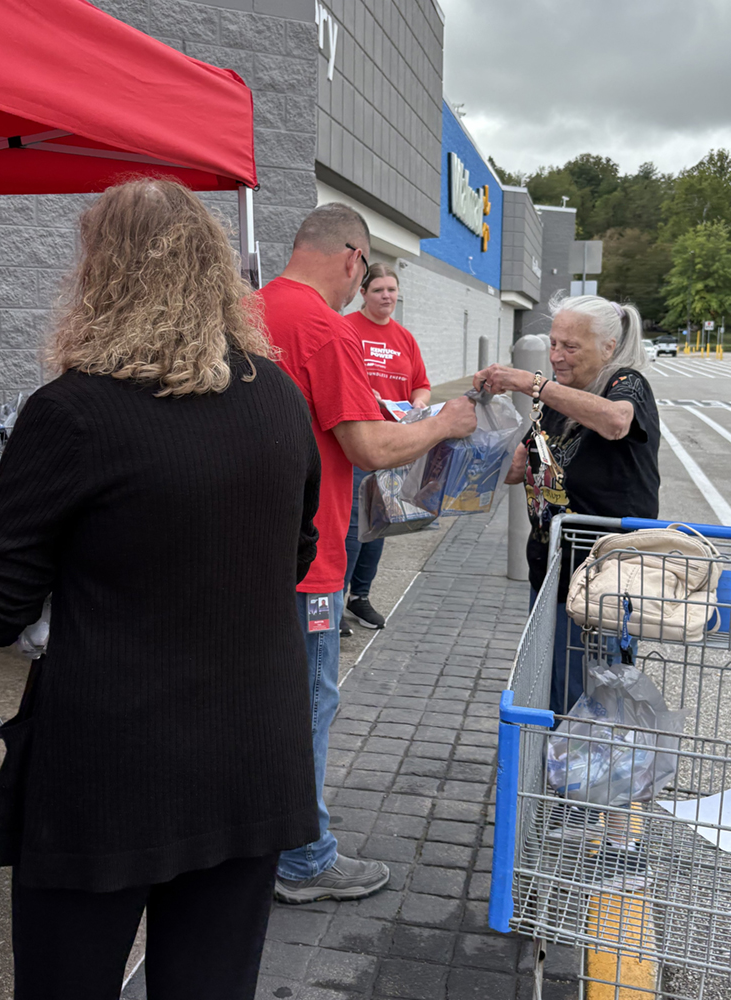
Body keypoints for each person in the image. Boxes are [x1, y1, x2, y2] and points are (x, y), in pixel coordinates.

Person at [0, 179, 321, 1000]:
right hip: (253, 753)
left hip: (111, 771)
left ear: (102, 277)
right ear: (214, 271)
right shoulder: (279, 399)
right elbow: (294, 553)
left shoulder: (74, 412)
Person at [257, 204, 477, 904]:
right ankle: (302, 859)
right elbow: (367, 447)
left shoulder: (251, 307)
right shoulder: (323, 327)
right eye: (367, 273)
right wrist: (443, 423)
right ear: (353, 258)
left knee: (267, 703)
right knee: (309, 702)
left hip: (253, 545)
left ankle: (270, 832)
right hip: (310, 552)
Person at [474, 294, 660, 715]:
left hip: (602, 580)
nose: (556, 356)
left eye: (570, 347)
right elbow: (516, 469)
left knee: (591, 697)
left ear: (608, 347)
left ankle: (579, 778)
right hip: (551, 569)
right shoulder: (559, 401)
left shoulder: (625, 383)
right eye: (553, 343)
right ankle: (558, 771)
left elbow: (616, 423)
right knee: (551, 682)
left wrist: (529, 383)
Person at [341, 263, 431, 632]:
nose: (387, 296)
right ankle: (336, 599)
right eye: (379, 289)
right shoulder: (346, 328)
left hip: (394, 444)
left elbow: (421, 384)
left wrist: (421, 402)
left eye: (392, 290)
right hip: (358, 441)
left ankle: (359, 597)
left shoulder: (404, 338)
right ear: (363, 292)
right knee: (351, 527)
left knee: (379, 525)